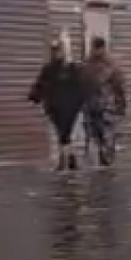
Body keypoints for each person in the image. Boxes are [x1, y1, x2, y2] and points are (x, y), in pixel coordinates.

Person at [29, 40, 87, 170]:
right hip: (56, 107)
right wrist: (35, 96)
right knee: (62, 133)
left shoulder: (73, 68)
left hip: (70, 108)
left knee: (65, 133)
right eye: (54, 50)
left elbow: (82, 86)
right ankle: (69, 157)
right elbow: (40, 84)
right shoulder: (50, 69)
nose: (56, 53)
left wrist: (82, 102)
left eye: (58, 50)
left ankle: (65, 160)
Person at [80, 37, 126, 166]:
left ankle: (107, 158)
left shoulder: (110, 65)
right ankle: (102, 157)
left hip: (106, 106)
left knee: (106, 133)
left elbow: (119, 86)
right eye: (93, 48)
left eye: (95, 48)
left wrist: (121, 104)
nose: (93, 51)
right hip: (91, 105)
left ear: (101, 48)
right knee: (95, 134)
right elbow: (81, 84)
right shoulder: (87, 64)